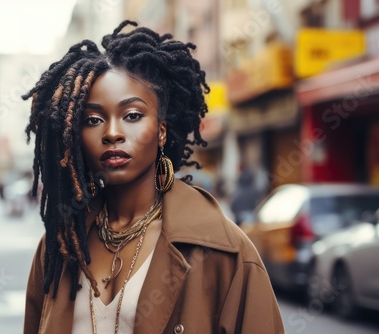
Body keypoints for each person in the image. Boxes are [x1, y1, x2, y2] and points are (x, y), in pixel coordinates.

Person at [23, 21, 284, 334]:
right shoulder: (61, 247)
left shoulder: (223, 251)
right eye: (93, 120)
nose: (113, 133)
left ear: (161, 131)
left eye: (132, 115)